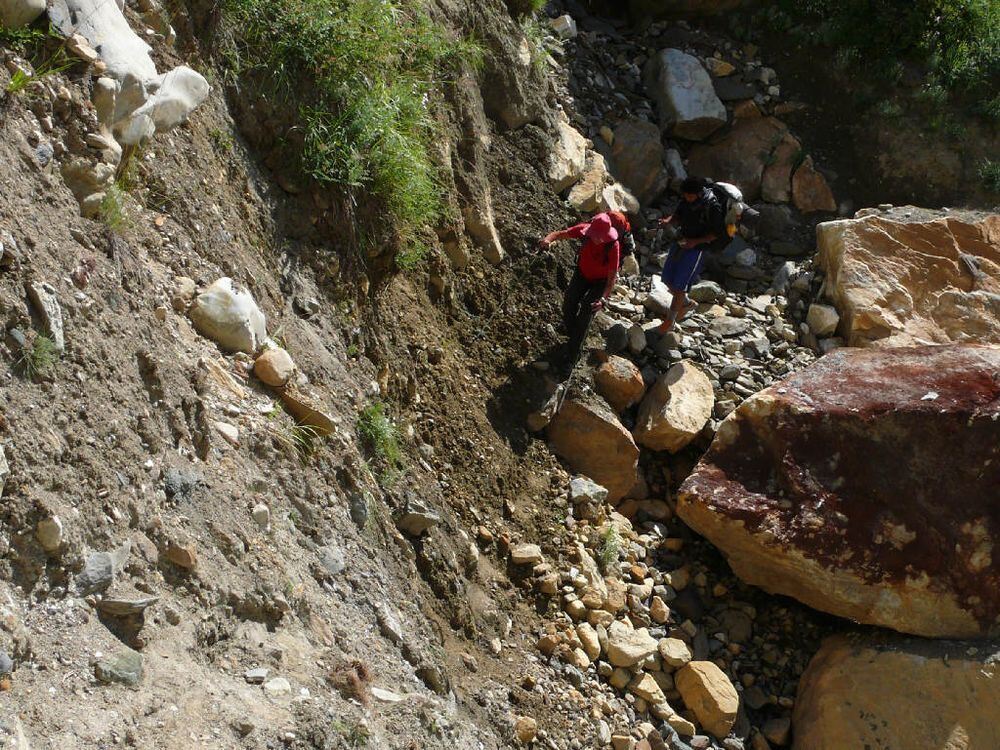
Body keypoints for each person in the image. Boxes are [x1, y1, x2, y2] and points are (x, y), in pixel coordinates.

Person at [539, 212, 621, 373]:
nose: (597, 239)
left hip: (601, 281)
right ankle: (573, 335)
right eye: (595, 235)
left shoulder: (613, 246)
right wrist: (547, 240)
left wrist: (603, 300)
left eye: (600, 236)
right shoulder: (583, 231)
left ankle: (572, 356)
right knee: (569, 301)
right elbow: (559, 234)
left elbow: (611, 279)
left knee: (586, 312)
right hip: (582, 273)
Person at [655, 176, 725, 333]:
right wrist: (668, 221)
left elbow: (716, 234)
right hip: (680, 241)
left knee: (680, 286)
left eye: (689, 195)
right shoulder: (686, 200)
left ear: (698, 193)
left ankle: (670, 321)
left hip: (697, 249)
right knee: (667, 279)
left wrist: (695, 242)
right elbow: (677, 215)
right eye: (685, 195)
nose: (686, 197)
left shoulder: (712, 207)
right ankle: (686, 304)